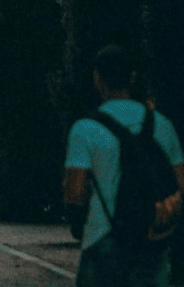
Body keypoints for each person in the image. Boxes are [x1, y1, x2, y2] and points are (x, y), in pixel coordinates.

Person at [63, 45, 184, 287]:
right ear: (132, 77)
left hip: (103, 237)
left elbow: (74, 194)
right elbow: (180, 184)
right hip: (152, 238)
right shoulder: (161, 125)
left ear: (97, 79)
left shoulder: (85, 129)